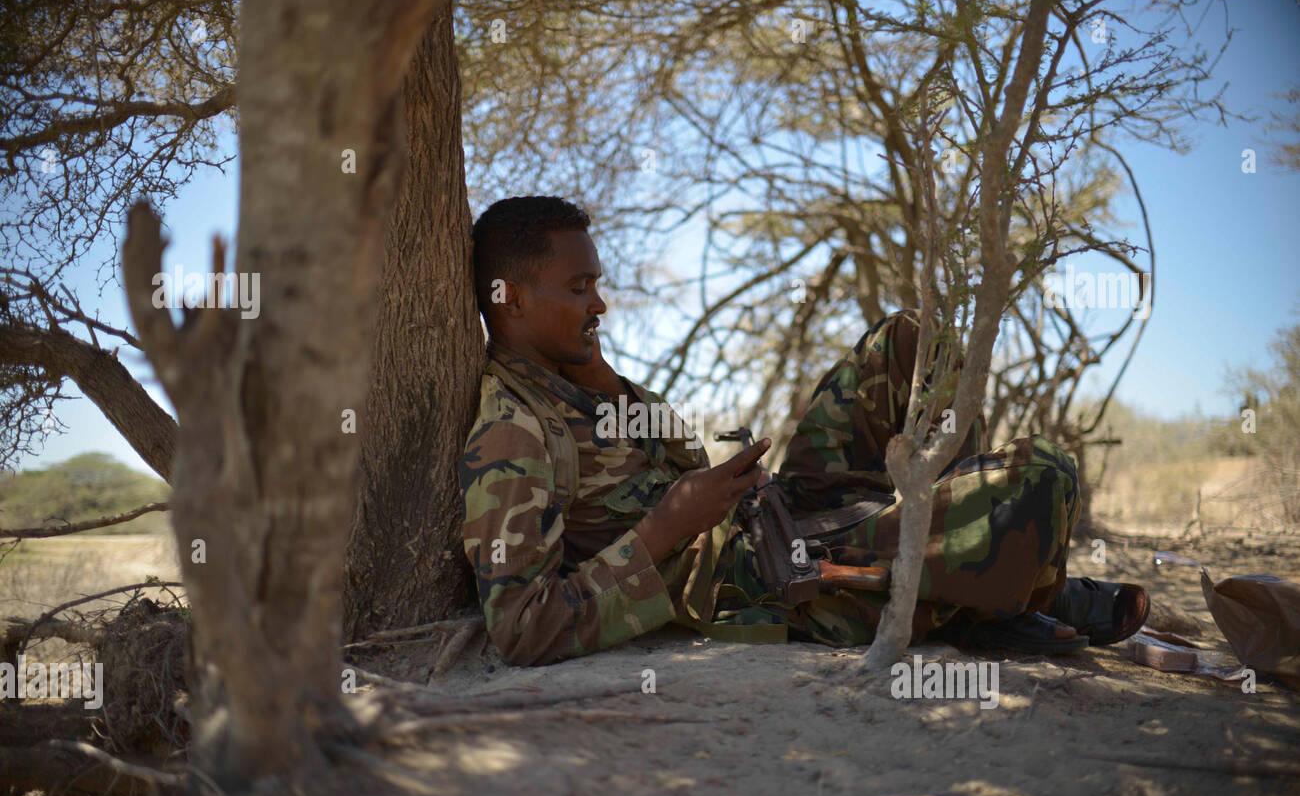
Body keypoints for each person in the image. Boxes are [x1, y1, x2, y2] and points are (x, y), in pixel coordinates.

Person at [458, 196, 1149, 667]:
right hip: (764, 577)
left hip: (774, 512)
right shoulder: (512, 433)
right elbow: (523, 627)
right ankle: (981, 590)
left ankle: (961, 577)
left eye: (594, 286)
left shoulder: (579, 379)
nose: (598, 303)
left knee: (912, 342)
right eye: (578, 288)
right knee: (1045, 476)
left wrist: (608, 381)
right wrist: (668, 524)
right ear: (510, 298)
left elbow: (679, 460)